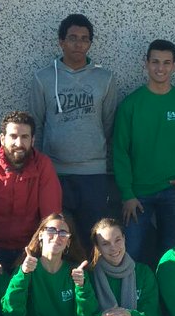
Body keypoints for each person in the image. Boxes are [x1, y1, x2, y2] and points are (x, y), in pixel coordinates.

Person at [29, 13, 118, 246]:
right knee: (57, 240)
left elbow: (108, 123)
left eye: (84, 39)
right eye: (72, 38)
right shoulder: (43, 78)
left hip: (94, 173)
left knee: (94, 237)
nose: (78, 44)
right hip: (55, 173)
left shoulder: (105, 79)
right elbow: (36, 125)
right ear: (61, 41)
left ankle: (90, 282)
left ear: (90, 43)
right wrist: (41, 166)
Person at [112, 39, 175, 261]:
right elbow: (120, 150)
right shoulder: (130, 104)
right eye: (155, 62)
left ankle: (166, 296)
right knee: (130, 252)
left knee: (173, 254)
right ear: (146, 64)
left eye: (167, 62)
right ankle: (132, 296)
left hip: (173, 192)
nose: (161, 68)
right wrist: (127, 194)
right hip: (137, 195)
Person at [0, 111, 62, 268]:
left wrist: (38, 252)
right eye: (13, 136)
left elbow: (51, 217)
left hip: (31, 247)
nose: (18, 143)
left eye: (25, 137)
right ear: (2, 139)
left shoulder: (43, 166)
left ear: (33, 140)